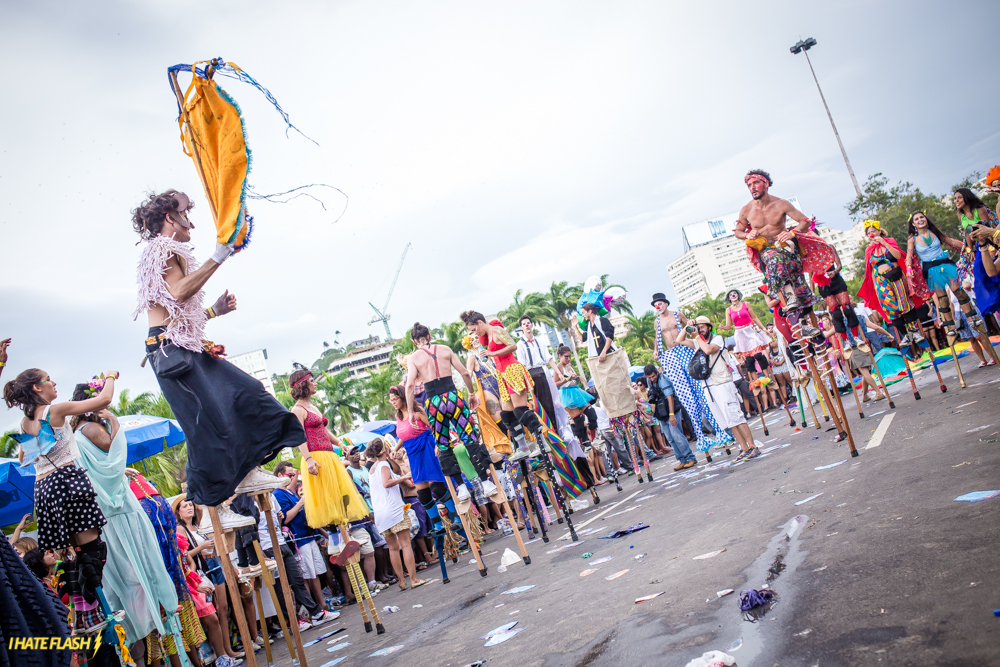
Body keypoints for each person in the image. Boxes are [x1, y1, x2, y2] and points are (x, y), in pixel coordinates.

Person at [131, 190, 300, 512]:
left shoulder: (164, 250)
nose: (191, 223)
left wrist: (212, 312)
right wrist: (219, 254)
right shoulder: (163, 248)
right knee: (210, 425)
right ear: (170, 217)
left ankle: (248, 473)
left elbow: (173, 311)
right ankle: (214, 502)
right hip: (170, 351)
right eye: (185, 214)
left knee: (241, 399)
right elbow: (179, 292)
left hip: (177, 346)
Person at [71, 393, 187, 659]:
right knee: (139, 569)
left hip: (107, 514)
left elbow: (103, 468)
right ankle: (159, 614)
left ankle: (145, 630)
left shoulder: (75, 437)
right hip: (118, 512)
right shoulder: (90, 428)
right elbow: (113, 458)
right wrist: (113, 420)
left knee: (128, 579)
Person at [3, 367, 118, 623]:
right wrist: (110, 376)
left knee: (71, 551)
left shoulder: (26, 421)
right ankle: (92, 603)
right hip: (65, 481)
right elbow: (104, 400)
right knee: (92, 548)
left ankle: (81, 609)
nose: (53, 382)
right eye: (48, 380)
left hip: (44, 489)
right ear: (37, 387)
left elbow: (24, 457)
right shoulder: (54, 410)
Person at [406, 321, 501, 502]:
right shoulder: (444, 349)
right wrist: (472, 394)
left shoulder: (414, 358)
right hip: (453, 396)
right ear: (430, 337)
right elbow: (465, 373)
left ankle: (462, 488)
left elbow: (410, 384)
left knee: (443, 444)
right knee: (470, 438)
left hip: (434, 402)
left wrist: (411, 411)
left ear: (414, 341)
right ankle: (486, 482)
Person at [735, 169, 833, 333]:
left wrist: (792, 233)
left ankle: (806, 325)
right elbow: (738, 232)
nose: (752, 187)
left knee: (798, 284)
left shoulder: (781, 204)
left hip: (786, 246)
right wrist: (746, 234)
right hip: (766, 249)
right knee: (775, 261)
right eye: (749, 185)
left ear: (766, 183)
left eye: (755, 183)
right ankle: (791, 302)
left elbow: (805, 221)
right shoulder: (746, 210)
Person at [286, 369, 369, 530]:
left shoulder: (312, 406)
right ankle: (336, 537)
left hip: (328, 455)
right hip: (315, 457)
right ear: (303, 384)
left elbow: (323, 430)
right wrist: (309, 459)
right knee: (327, 499)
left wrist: (340, 443)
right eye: (311, 380)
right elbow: (299, 436)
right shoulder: (297, 410)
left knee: (340, 495)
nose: (315, 383)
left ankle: (344, 533)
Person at [652, 293, 731, 456]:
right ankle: (701, 436)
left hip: (685, 350)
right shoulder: (657, 321)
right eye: (655, 305)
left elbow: (690, 329)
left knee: (699, 390)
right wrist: (655, 350)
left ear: (666, 303)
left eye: (659, 303)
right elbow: (657, 337)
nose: (657, 307)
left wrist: (693, 330)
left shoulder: (677, 315)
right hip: (670, 355)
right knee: (686, 397)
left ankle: (720, 430)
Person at [459, 313, 544, 462]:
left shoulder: (497, 331)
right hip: (502, 375)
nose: (474, 333)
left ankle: (541, 441)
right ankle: (522, 447)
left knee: (519, 409)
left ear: (480, 322)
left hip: (511, 369)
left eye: (473, 329)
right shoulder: (486, 337)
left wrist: (492, 353)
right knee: (507, 414)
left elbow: (513, 345)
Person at [171, 496, 245, 662]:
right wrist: (201, 547)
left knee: (223, 608)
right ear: (178, 511)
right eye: (185, 506)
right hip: (201, 570)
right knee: (214, 611)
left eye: (190, 504)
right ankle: (219, 654)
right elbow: (184, 556)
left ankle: (227, 650)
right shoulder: (180, 529)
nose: (189, 508)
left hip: (212, 564)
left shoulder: (198, 526)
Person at [677, 317, 759, 460]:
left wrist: (697, 336)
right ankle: (743, 448)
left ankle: (753, 446)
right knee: (727, 421)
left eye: (702, 327)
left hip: (723, 384)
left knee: (736, 417)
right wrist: (687, 327)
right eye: (698, 327)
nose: (700, 329)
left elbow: (708, 350)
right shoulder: (698, 342)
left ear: (709, 327)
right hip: (708, 387)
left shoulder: (718, 339)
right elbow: (679, 340)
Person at [270, 463, 337, 618]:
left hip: (308, 535)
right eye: (290, 475)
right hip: (298, 540)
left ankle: (322, 605)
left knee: (316, 574)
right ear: (280, 475)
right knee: (306, 576)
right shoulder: (278, 494)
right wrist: (301, 502)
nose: (293, 478)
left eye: (294, 475)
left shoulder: (289, 492)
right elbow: (285, 518)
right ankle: (313, 610)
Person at [366, 438, 429, 591]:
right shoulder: (383, 465)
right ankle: (413, 579)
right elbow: (386, 483)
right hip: (393, 509)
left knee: (393, 548)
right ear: (383, 450)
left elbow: (390, 476)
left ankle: (402, 581)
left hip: (381, 513)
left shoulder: (373, 468)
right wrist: (404, 478)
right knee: (405, 544)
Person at [906, 211, 982, 337]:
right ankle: (951, 326)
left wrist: (967, 246)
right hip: (931, 269)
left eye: (922, 217)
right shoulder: (912, 238)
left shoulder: (934, 231)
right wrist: (909, 268)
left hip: (946, 264)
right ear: (913, 224)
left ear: (926, 218)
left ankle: (971, 319)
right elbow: (909, 254)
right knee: (942, 298)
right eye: (916, 219)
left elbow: (949, 241)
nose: (920, 219)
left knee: (958, 290)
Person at [857, 219, 931, 346]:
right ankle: (904, 336)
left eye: (873, 231)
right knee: (891, 307)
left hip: (896, 276)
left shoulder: (889, 241)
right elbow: (870, 269)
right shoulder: (869, 250)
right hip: (881, 281)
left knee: (905, 304)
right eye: (869, 232)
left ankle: (915, 332)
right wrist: (875, 286)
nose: (872, 234)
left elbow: (898, 256)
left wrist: (884, 243)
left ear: (879, 231)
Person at [461, 341, 513, 455]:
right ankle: (508, 449)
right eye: (472, 338)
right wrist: (471, 392)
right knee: (501, 422)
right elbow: (468, 374)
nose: (475, 340)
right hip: (487, 389)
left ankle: (517, 445)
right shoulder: (472, 358)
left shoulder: (491, 353)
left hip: (500, 386)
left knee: (510, 417)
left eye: (477, 337)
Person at [814, 246, 867, 353]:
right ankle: (846, 341)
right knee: (836, 313)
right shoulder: (808, 254)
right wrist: (811, 292)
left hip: (836, 281)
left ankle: (856, 337)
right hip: (823, 285)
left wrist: (834, 271)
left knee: (847, 308)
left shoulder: (829, 247)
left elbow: (839, 265)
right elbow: (811, 276)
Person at [643, 365, 697, 471]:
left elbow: (670, 398)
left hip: (671, 410)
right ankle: (682, 460)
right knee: (670, 439)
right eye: (649, 377)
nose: (652, 379)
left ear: (657, 372)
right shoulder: (649, 381)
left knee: (677, 435)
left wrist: (672, 415)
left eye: (653, 376)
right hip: (661, 411)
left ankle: (690, 457)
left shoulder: (663, 380)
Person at [516, 315, 558, 424]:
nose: (527, 325)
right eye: (524, 324)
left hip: (543, 373)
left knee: (550, 403)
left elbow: (548, 358)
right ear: (521, 327)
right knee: (538, 405)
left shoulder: (540, 341)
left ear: (532, 325)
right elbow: (522, 365)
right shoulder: (520, 345)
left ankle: (555, 428)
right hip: (531, 375)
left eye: (528, 323)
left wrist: (558, 372)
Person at [724, 289, 771, 374]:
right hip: (740, 334)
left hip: (750, 330)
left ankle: (768, 377)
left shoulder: (746, 304)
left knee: (758, 355)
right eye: (731, 294)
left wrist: (764, 329)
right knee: (749, 359)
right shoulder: (728, 310)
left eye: (735, 293)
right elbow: (728, 326)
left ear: (738, 295)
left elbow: (755, 317)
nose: (733, 295)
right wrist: (723, 327)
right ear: (729, 298)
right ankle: (755, 382)